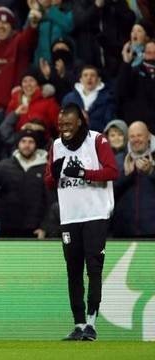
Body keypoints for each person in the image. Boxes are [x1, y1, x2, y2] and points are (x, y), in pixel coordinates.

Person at [44, 103, 119, 341]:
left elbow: (112, 172)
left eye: (68, 124)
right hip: (70, 216)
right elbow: (48, 182)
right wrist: (53, 175)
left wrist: (85, 173)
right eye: (61, 125)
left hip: (95, 213)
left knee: (93, 268)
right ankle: (78, 325)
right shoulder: (55, 146)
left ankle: (92, 324)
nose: (64, 129)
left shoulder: (98, 140)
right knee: (72, 270)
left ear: (80, 122)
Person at [112, 121, 155, 237]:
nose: (136, 139)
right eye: (132, 136)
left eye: (139, 135)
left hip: (151, 232)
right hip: (123, 233)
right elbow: (109, 192)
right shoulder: (118, 160)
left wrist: (151, 172)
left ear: (148, 137)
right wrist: (125, 176)